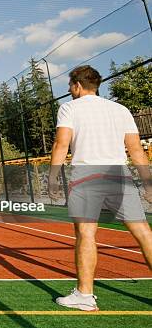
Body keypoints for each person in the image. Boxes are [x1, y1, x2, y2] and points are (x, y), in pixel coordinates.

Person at [49, 65, 152, 311]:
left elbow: (61, 145)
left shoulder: (69, 108)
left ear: (76, 85)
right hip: (119, 173)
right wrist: (148, 183)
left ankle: (85, 296)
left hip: (87, 176)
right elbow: (136, 150)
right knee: (143, 233)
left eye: (70, 86)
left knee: (86, 234)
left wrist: (53, 177)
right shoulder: (120, 109)